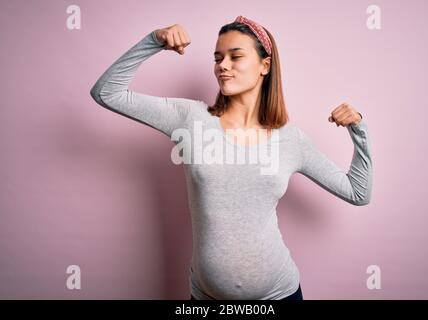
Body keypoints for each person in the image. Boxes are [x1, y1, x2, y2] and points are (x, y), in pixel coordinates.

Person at [90, 16, 373, 300]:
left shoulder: (290, 140)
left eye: (235, 56)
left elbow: (357, 192)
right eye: (218, 58)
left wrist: (357, 128)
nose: (222, 65)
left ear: (265, 66)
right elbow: (106, 93)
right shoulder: (191, 119)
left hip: (280, 295)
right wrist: (154, 40)